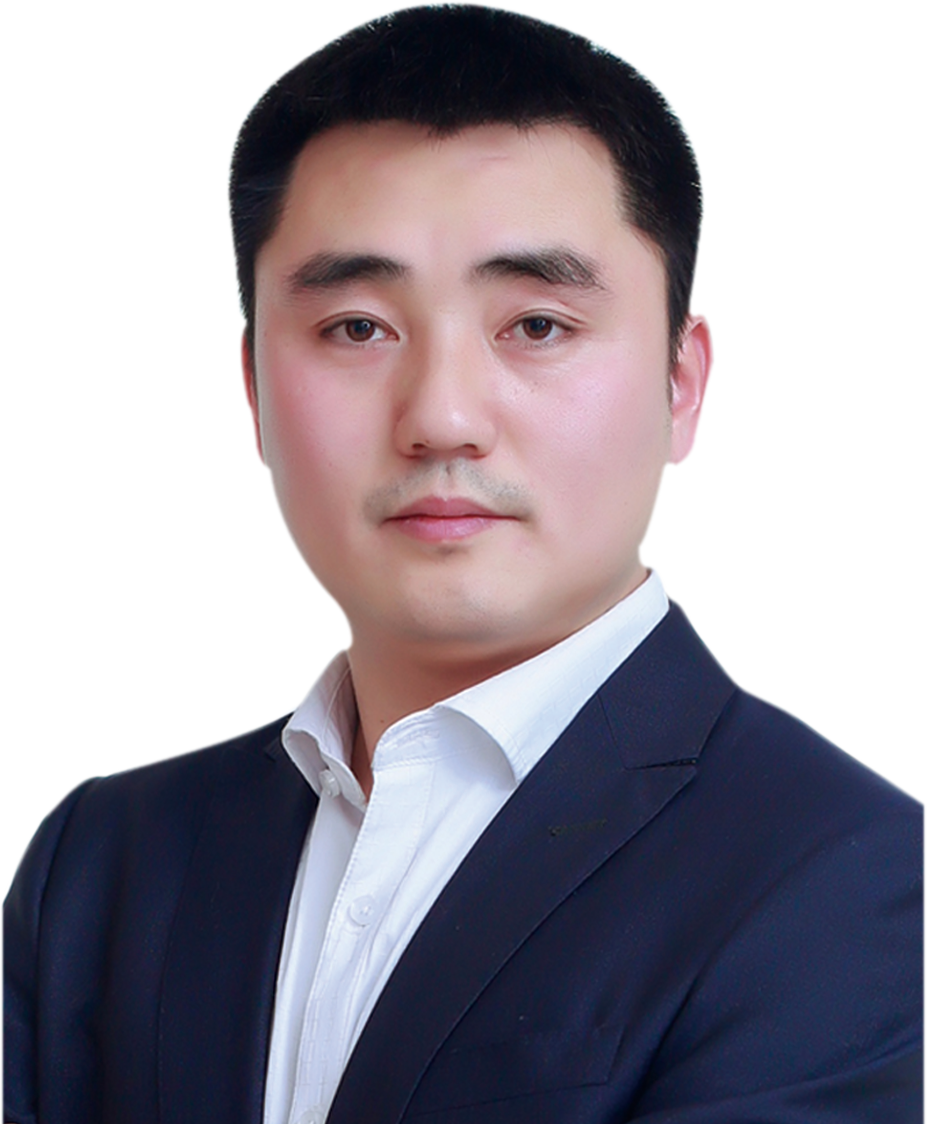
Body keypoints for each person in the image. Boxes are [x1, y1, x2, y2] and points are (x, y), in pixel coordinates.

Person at [2, 4, 926, 1123]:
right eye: (356, 327)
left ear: (681, 386)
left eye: (536, 326)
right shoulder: (101, 865)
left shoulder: (854, 879)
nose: (441, 416)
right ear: (251, 390)